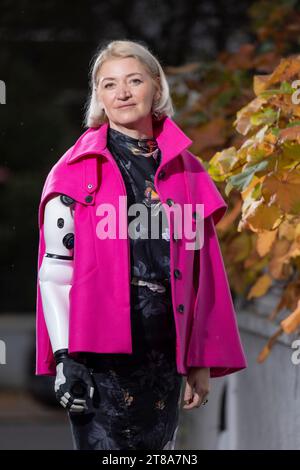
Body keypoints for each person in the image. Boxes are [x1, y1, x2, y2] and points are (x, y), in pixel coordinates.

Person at [35, 39, 247, 450]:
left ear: (156, 86)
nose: (123, 93)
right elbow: (56, 270)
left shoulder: (188, 170)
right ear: (98, 95)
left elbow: (205, 273)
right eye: (109, 84)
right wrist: (66, 359)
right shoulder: (76, 169)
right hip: (96, 354)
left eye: (134, 80)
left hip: (165, 350)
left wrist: (199, 358)